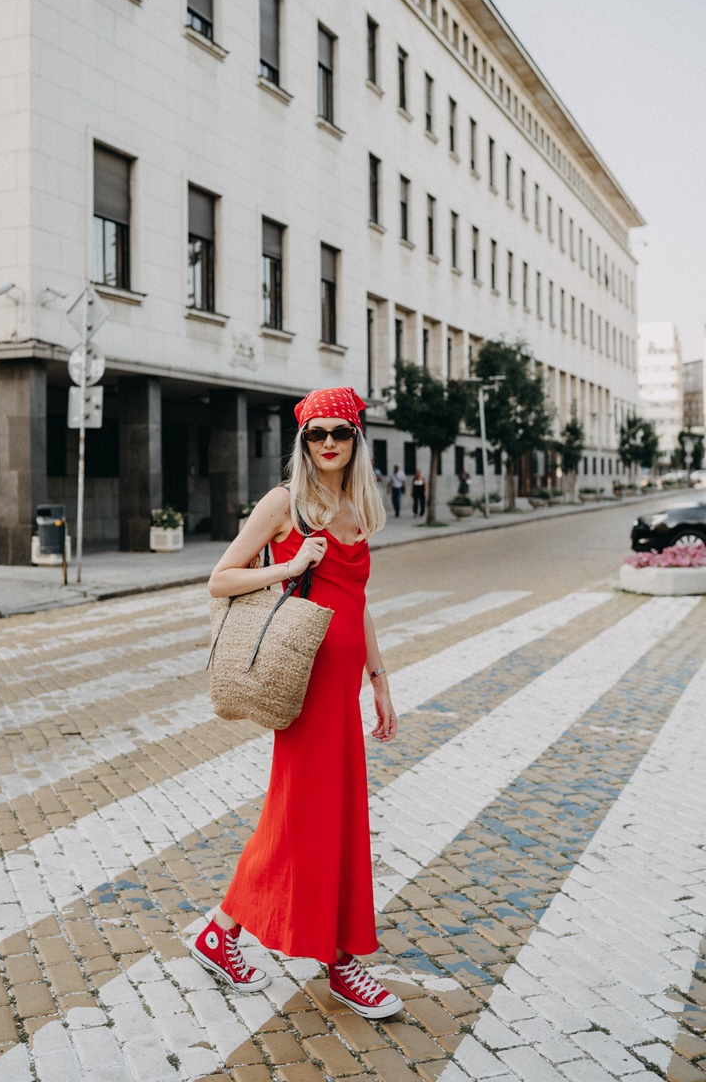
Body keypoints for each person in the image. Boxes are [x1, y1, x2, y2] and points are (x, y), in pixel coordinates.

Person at [194, 387, 403, 1020]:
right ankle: (335, 959)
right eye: (317, 435)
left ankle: (227, 934)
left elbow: (357, 600)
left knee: (331, 817)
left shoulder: (355, 506)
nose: (329, 443)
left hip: (342, 689)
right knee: (304, 819)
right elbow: (220, 578)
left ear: (356, 439)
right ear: (303, 442)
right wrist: (287, 567)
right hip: (305, 686)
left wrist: (379, 677)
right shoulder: (286, 504)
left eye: (340, 432)